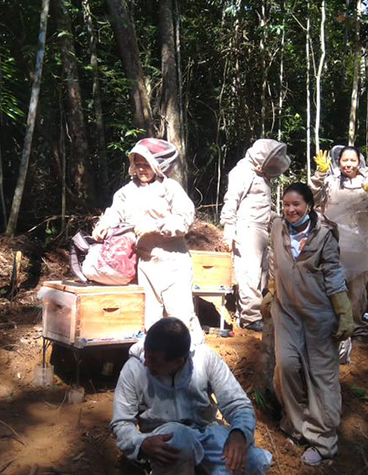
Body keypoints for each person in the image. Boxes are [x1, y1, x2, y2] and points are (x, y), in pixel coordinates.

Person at [264, 183, 354, 466]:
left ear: (309, 207)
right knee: (287, 366)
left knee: (321, 376)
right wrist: (270, 291)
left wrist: (344, 311)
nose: (290, 210)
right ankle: (296, 424)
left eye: (297, 205)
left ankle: (324, 441)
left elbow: (333, 274)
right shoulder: (277, 227)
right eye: (286, 204)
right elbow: (274, 263)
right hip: (287, 312)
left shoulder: (324, 235)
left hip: (319, 315)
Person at [110, 317, 272, 474]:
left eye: (154, 360)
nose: (146, 363)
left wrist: (239, 434)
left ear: (180, 361)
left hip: (206, 435)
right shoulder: (133, 369)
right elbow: (122, 423)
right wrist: (142, 443)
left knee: (254, 461)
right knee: (178, 438)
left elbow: (237, 404)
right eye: (147, 355)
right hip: (164, 443)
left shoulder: (205, 359)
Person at [92, 138, 203, 343]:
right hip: (144, 263)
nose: (141, 170)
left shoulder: (171, 188)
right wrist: (103, 224)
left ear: (158, 166)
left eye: (146, 165)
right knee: (150, 320)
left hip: (172, 262)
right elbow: (114, 213)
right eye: (138, 165)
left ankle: (194, 365)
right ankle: (154, 368)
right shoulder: (127, 192)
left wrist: (156, 226)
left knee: (180, 316)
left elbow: (185, 219)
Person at [309, 145, 368, 336]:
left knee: (357, 289)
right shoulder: (330, 181)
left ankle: (355, 325)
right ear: (339, 162)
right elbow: (312, 199)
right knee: (333, 284)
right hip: (334, 241)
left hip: (361, 244)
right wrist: (319, 174)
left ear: (359, 162)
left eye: (352, 160)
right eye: (344, 160)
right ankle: (334, 322)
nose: (348, 164)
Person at [220, 139, 290, 333]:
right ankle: (250, 317)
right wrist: (229, 228)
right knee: (249, 273)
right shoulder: (242, 172)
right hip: (246, 228)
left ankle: (258, 311)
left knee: (262, 273)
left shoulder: (261, 176)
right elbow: (231, 200)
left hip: (260, 229)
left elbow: (260, 205)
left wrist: (278, 219)